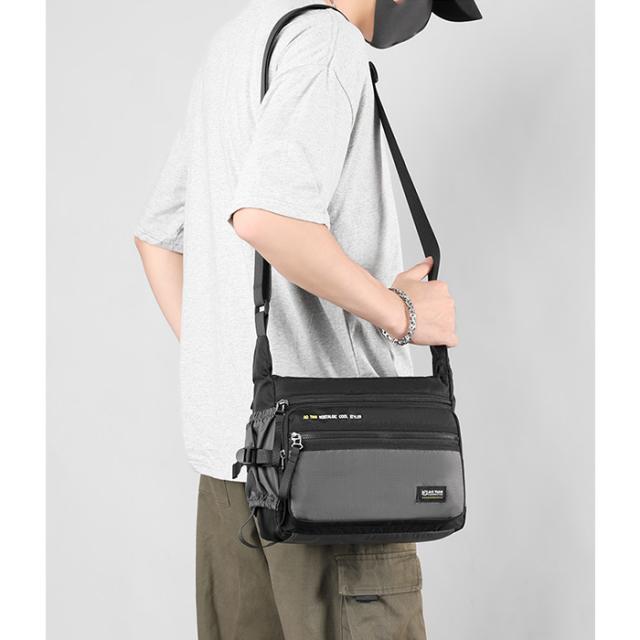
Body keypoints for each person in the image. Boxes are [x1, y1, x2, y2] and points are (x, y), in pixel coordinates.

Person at [135, 1, 480, 637]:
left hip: (234, 465)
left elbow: (158, 237)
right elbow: (267, 218)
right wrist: (403, 315)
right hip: (336, 462)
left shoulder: (239, 41)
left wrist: (231, 366)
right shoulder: (327, 42)